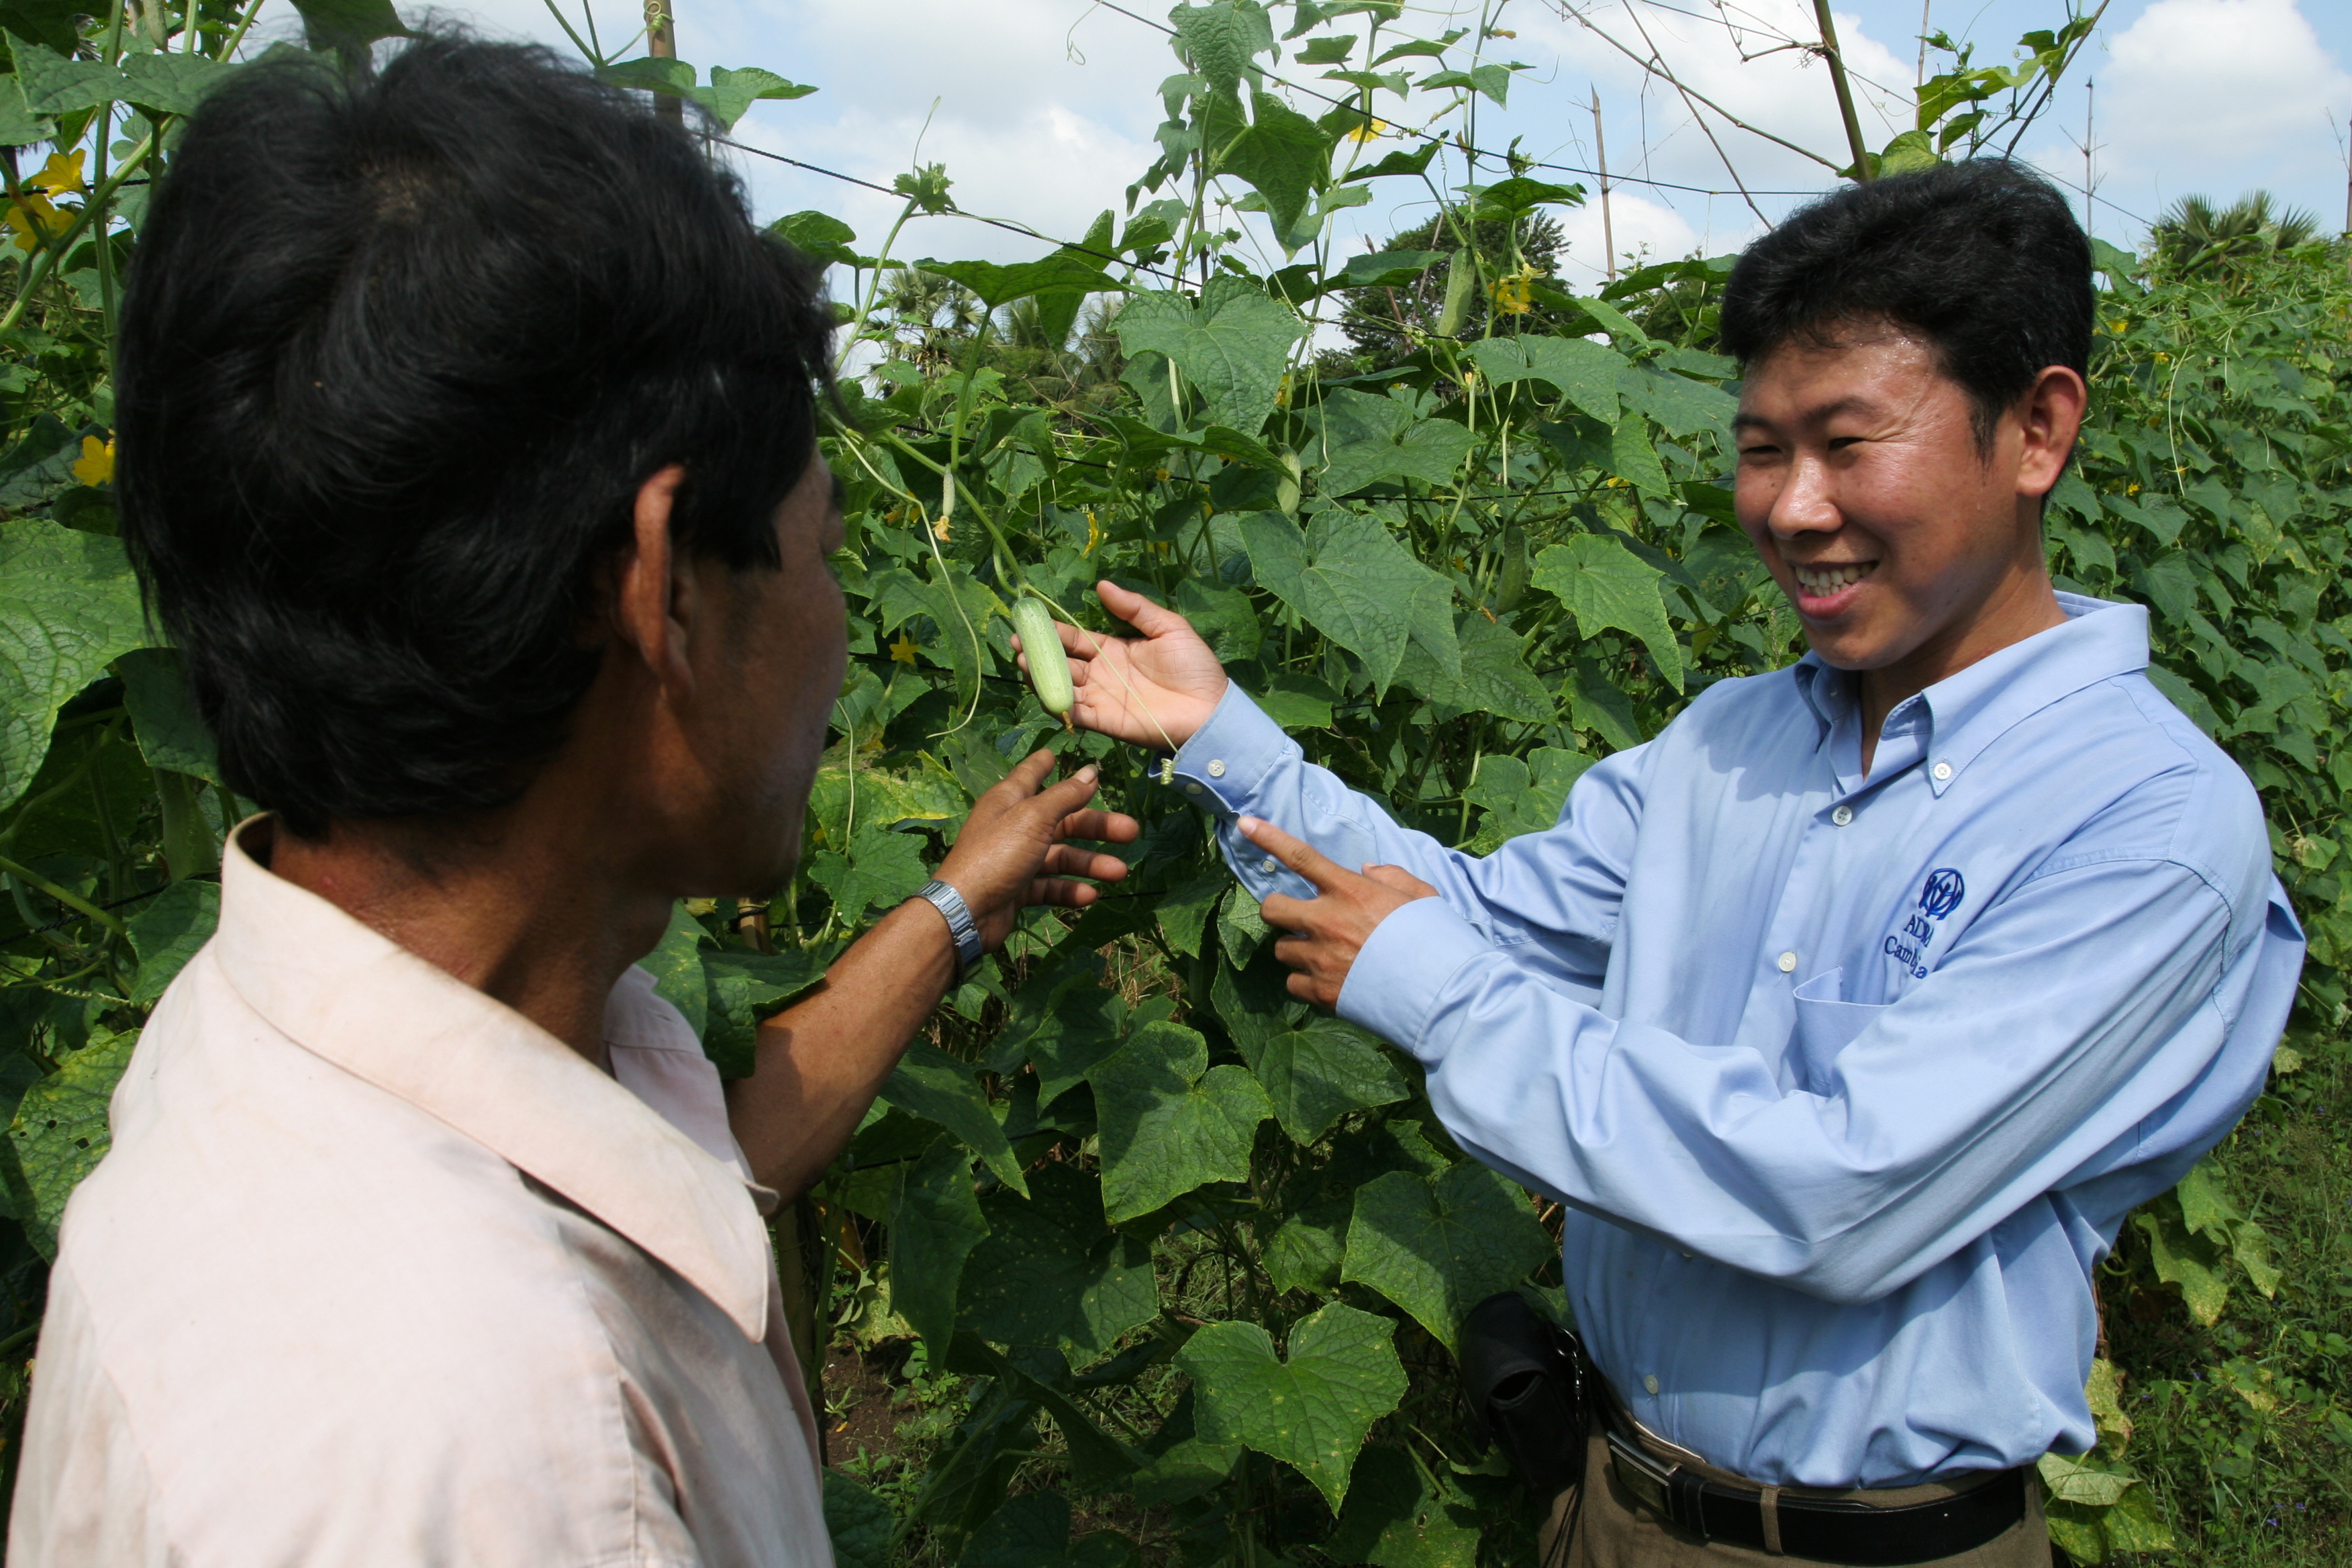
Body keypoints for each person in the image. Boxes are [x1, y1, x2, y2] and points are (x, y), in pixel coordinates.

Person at [1033, 160, 2304, 1567]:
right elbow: (1481, 918)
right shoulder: (1733, 740)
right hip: (1613, 1503)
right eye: (1763, 448)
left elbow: (1840, 1193)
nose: (1795, 508)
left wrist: (1440, 996)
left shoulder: (2149, 823)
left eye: (1847, 440)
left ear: (2038, 429)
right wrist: (1225, 738)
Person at [7, 38, 1138, 1568]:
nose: (846, 627)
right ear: (667, 589)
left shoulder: (330, 1041)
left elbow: (700, 1160)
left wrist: (960, 903)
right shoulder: (505, 1459)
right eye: (825, 545)